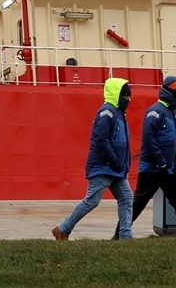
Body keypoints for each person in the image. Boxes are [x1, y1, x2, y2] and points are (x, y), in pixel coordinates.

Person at [115, 75, 176, 239]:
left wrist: (171, 165)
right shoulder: (155, 112)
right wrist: (160, 162)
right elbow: (148, 139)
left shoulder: (172, 113)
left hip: (172, 169)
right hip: (153, 169)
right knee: (138, 203)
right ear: (169, 91)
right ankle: (118, 235)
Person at [52, 78, 133, 241]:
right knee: (91, 201)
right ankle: (63, 229)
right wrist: (115, 161)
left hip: (115, 168)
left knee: (126, 198)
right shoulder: (107, 113)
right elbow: (100, 141)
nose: (128, 100)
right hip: (104, 167)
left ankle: (125, 236)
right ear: (117, 95)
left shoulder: (117, 113)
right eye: (126, 96)